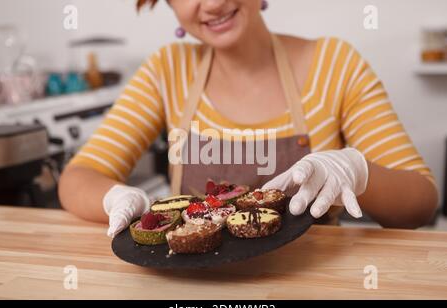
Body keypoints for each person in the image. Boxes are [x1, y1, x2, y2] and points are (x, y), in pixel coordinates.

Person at [58, 0, 438, 237]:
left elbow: (421, 202)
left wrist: (359, 172)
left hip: (310, 282)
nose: (212, 3)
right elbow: (78, 177)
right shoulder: (166, 70)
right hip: (194, 290)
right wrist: (114, 197)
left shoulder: (335, 65)